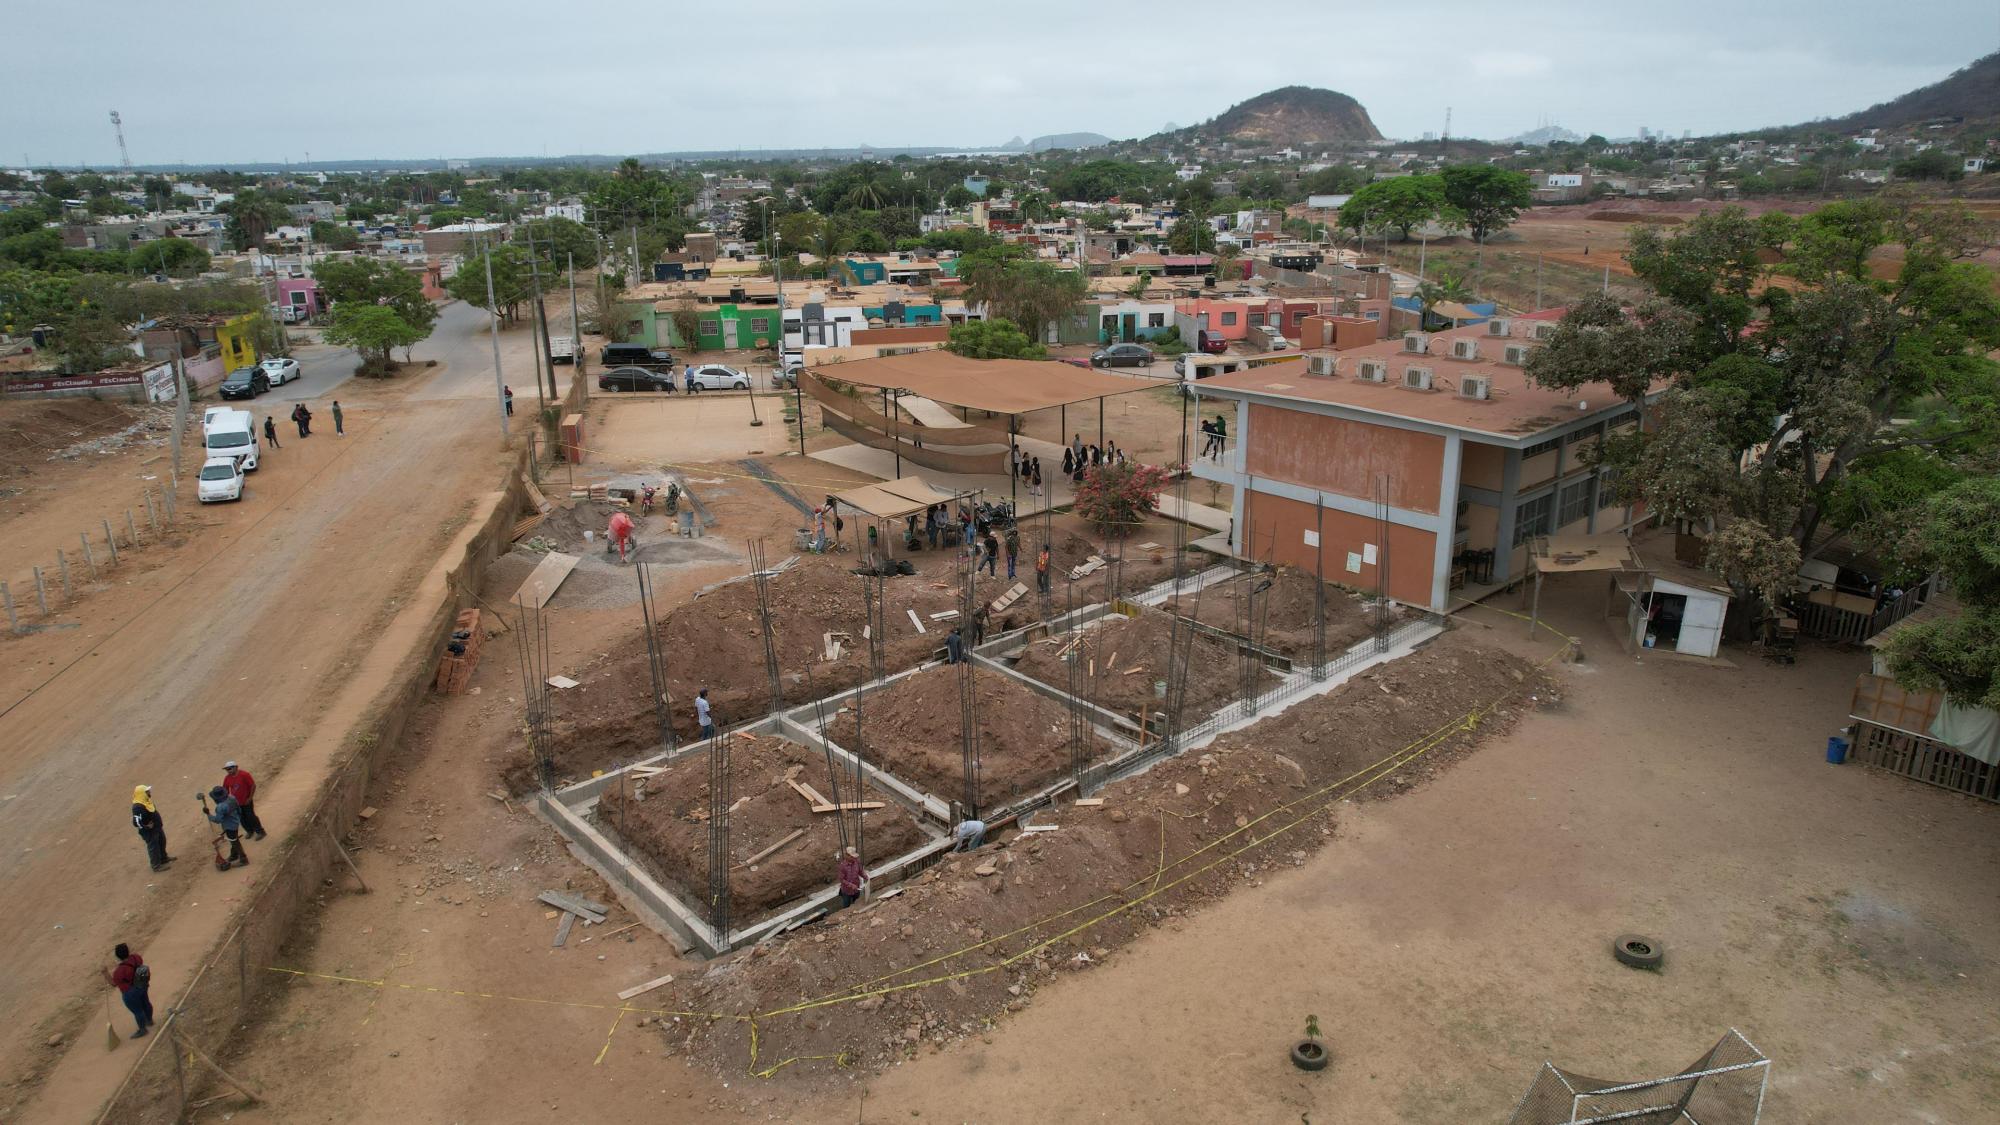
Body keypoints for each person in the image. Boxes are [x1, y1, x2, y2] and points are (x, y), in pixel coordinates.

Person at [103, 944, 153, 1038]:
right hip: (142, 985)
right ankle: (149, 1020)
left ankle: (142, 1030)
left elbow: (114, 983)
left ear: (117, 956)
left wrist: (105, 973)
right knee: (146, 1002)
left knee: (137, 1011)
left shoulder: (119, 971)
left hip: (130, 993)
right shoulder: (136, 957)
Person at [131, 785, 172, 872]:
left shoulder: (146, 801)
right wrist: (146, 827)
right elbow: (136, 822)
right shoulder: (138, 807)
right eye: (147, 792)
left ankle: (163, 858)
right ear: (142, 794)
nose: (149, 793)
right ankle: (156, 866)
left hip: (156, 828)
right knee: (154, 847)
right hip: (149, 832)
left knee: (162, 841)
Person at [205, 786, 248, 868]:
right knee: (234, 840)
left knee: (235, 842)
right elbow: (239, 809)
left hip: (229, 827)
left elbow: (218, 820)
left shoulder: (221, 807)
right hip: (235, 822)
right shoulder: (232, 798)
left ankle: (243, 859)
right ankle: (234, 855)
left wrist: (208, 814)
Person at [222, 761, 265, 841]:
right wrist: (227, 801)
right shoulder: (227, 778)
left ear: (236, 767)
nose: (228, 771)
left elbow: (253, 785)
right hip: (236, 803)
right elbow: (225, 790)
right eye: (227, 769)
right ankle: (249, 831)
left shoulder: (244, 775)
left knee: (251, 816)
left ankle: (260, 831)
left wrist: (250, 798)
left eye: (230, 768)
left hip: (246, 801)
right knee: (242, 818)